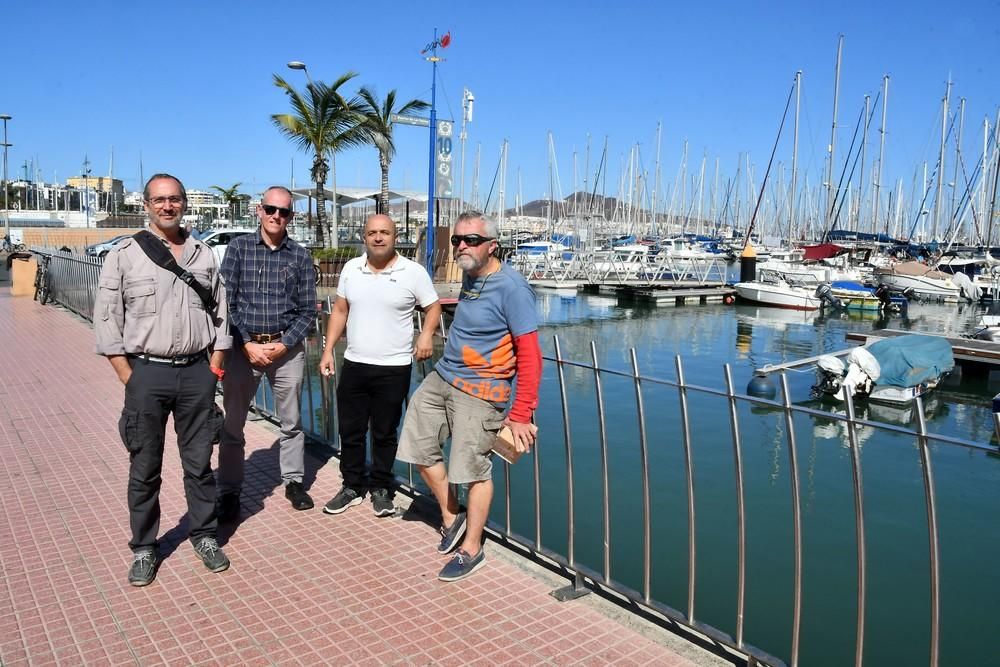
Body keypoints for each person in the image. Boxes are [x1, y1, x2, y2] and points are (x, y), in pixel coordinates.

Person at [94, 173, 231, 586]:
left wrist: (215, 368)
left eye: (174, 199)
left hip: (196, 373)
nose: (167, 206)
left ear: (185, 203)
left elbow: (221, 317)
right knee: (145, 466)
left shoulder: (203, 255)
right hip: (146, 373)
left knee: (200, 465)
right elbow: (106, 320)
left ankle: (204, 535)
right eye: (159, 200)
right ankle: (144, 547)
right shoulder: (125, 254)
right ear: (147, 205)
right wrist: (129, 378)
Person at [396, 211, 542, 582]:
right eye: (458, 239)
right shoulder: (470, 274)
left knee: (472, 469)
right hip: (444, 377)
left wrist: (521, 412)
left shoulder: (513, 287)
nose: (462, 245)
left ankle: (471, 548)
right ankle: (451, 516)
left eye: (471, 240)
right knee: (416, 444)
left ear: (492, 246)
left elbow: (530, 354)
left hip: (481, 392)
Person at [318, 214, 441, 517]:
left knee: (385, 432)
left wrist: (426, 335)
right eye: (372, 232)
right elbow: (340, 311)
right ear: (364, 237)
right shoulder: (351, 269)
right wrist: (327, 350)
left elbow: (433, 306)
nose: (378, 237)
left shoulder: (412, 272)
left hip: (394, 367)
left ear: (395, 237)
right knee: (351, 430)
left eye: (384, 232)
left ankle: (382, 488)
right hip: (355, 363)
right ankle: (351, 486)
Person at [216, 186, 317, 520]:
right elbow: (226, 302)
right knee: (233, 424)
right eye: (271, 209)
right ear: (259, 210)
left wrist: (284, 345)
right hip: (244, 349)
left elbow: (307, 311)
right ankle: (230, 490)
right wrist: (246, 343)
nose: (277, 216)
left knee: (292, 423)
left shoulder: (300, 256)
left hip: (285, 349)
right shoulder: (238, 248)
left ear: (291, 216)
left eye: (284, 211)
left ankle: (293, 481)